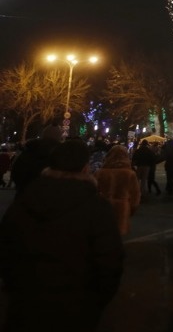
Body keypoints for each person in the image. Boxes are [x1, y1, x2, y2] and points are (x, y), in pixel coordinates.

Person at [0, 138, 124, 332]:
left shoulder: (26, 199)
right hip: (76, 307)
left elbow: (6, 249)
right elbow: (109, 262)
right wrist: (94, 302)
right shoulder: (97, 208)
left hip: (26, 303)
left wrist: (16, 288)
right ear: (85, 167)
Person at [94, 144, 142, 236]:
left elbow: (92, 193)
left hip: (102, 208)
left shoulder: (99, 173)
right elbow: (135, 196)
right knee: (116, 237)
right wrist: (131, 210)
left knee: (101, 236)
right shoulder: (130, 174)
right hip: (121, 210)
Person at [9, 123, 61, 198]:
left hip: (25, 196)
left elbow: (15, 172)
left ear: (44, 135)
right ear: (58, 137)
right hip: (50, 198)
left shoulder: (29, 150)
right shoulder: (61, 155)